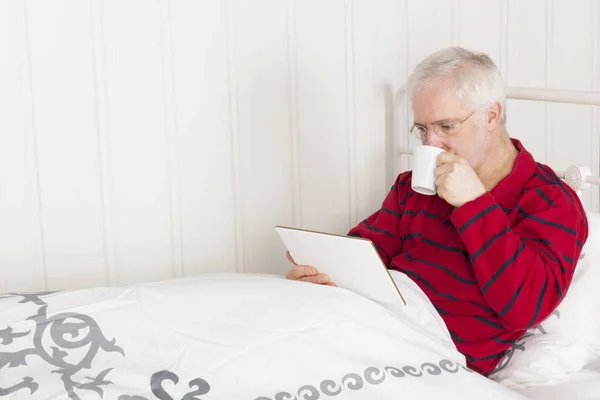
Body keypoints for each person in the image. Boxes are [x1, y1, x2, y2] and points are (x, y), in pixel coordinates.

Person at [284, 46, 588, 376]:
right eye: (422, 129)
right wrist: (326, 277)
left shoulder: (552, 202)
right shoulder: (414, 186)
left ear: (491, 115)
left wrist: (474, 205)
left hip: (431, 356)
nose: (431, 144)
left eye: (446, 126)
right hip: (375, 324)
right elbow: (367, 254)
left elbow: (524, 305)